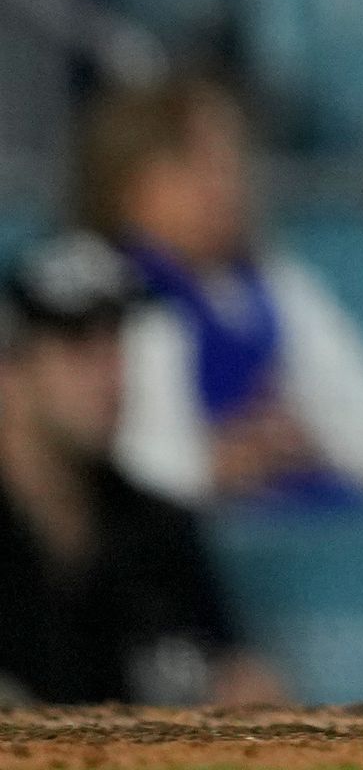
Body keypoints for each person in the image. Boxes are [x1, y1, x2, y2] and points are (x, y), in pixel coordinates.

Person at [73, 77, 363, 507]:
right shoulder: (89, 289)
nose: (223, 187)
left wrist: (311, 440)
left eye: (230, 163)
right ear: (127, 183)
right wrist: (211, 467)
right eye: (196, 165)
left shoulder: (280, 284)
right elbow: (90, 456)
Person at [0, 234, 283, 707]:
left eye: (117, 343)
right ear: (8, 372)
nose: (110, 375)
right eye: (77, 346)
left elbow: (246, 686)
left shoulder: (162, 529)